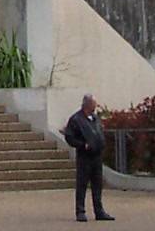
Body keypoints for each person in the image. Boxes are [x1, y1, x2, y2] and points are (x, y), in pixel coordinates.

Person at [63, 93, 114, 222]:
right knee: (82, 184)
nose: (95, 106)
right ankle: (80, 211)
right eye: (93, 103)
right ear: (87, 104)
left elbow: (99, 132)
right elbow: (69, 137)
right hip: (84, 157)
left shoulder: (95, 118)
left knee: (97, 184)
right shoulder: (76, 119)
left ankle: (99, 211)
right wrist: (82, 145)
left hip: (97, 156)